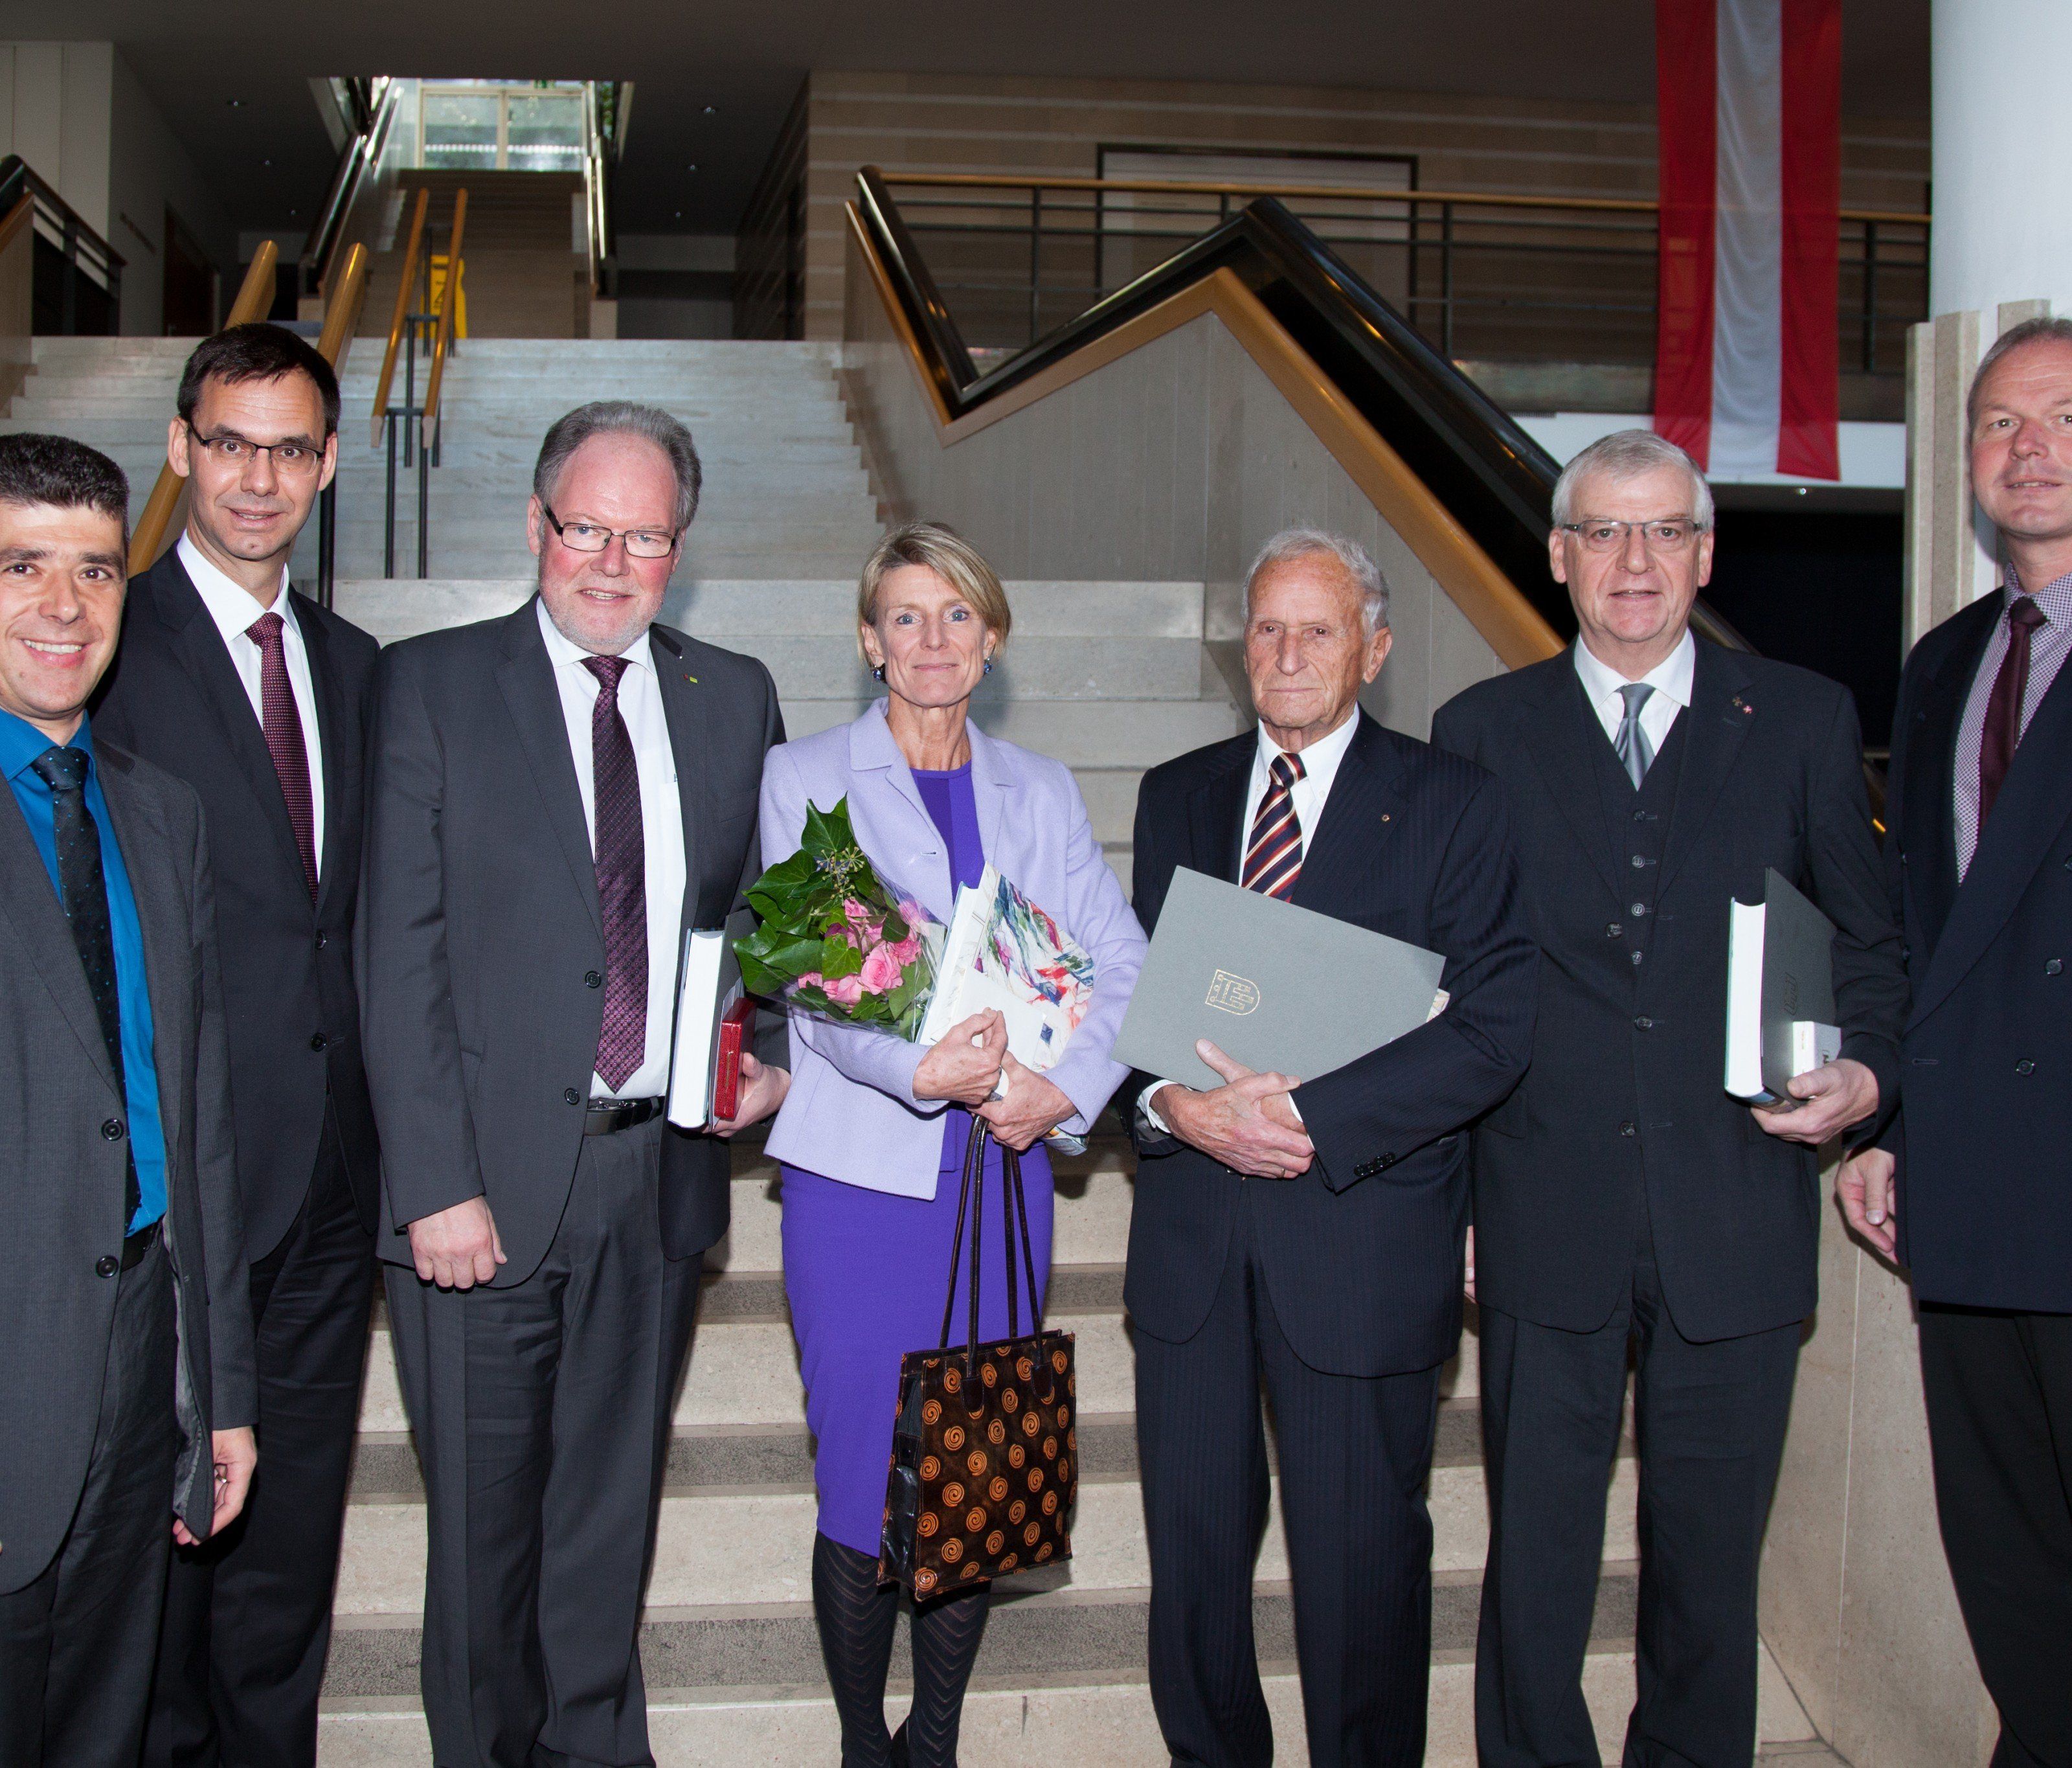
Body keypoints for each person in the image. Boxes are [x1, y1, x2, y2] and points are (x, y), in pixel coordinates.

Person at [1431, 429, 1908, 1768]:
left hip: (1735, 1205)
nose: (1631, 561)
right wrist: (1454, 1196)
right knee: (1535, 1560)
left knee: (1707, 1568)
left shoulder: (1805, 719)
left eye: (1660, 533)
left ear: (1704, 553)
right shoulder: (1481, 730)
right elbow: (1458, 990)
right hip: (1539, 1206)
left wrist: (1868, 1079)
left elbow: (1870, 944)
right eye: (1601, 532)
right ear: (1557, 556)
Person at [357, 402, 792, 1767]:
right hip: (479, 1196)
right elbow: (396, 951)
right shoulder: (427, 685)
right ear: (537, 525)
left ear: (681, 548)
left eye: (646, 535)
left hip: (652, 1186)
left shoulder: (737, 697)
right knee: (487, 1548)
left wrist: (764, 1056)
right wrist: (434, 1184)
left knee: (607, 1529)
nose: (612, 561)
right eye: (586, 527)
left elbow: (765, 924)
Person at [1127, 528, 1536, 1768]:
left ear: (1376, 645)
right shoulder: (1178, 792)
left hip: (1361, 1242)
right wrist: (1168, 1108)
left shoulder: (1457, 800)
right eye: (1266, 627)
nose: (1288, 653)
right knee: (1194, 1567)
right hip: (1195, 1247)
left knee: (1361, 1573)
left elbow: (1497, 1024)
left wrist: (1308, 1115)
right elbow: (1137, 1013)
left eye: (1318, 628)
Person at [758, 521, 1147, 1768]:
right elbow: (814, 983)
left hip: (1003, 1171)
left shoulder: (1043, 788)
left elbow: (1125, 963)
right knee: (867, 1473)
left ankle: (935, 1739)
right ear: (871, 640)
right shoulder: (805, 775)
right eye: (908, 618)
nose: (934, 642)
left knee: (976, 1461)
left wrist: (1063, 1091)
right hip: (863, 1179)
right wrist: (917, 1067)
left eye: (958, 616)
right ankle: (861, 1740)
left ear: (992, 638)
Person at [89, 321, 382, 1768]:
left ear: (328, 464)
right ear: (180, 449)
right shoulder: (104, 647)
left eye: (287, 447)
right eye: (228, 443)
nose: (256, 477)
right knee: (160, 1560)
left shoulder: (357, 664)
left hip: (330, 1186)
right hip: (173, 1190)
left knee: (289, 1560)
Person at [0, 433, 257, 1764]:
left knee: (105, 1725)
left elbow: (192, 1122)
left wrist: (217, 1392)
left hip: (139, 1353)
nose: (65, 606)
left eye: (95, 570)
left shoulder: (159, 817)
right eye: (23, 567)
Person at [1838, 317, 2072, 1768]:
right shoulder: (1941, 666)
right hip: (1973, 1193)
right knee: (2007, 1551)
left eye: (2059, 415)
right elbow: (1922, 927)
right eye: (1995, 423)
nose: (2026, 447)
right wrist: (1889, 1126)